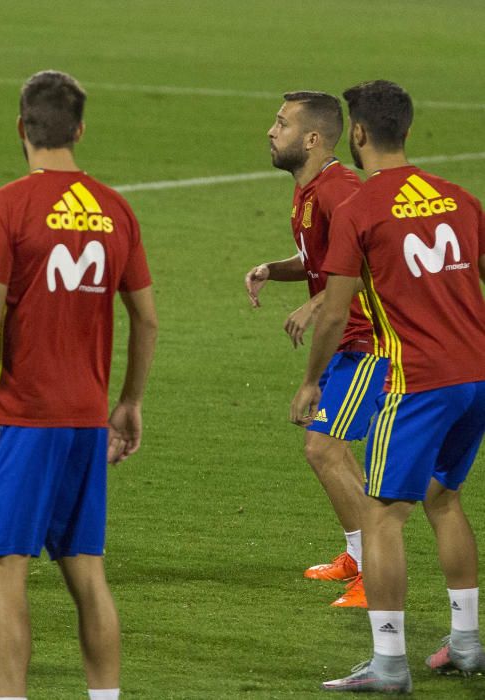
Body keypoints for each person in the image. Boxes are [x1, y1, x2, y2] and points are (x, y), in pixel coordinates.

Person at [0, 70, 157, 700]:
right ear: (79, 129)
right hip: (87, 420)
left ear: (20, 127)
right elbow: (147, 317)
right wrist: (129, 402)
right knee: (87, 575)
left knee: (2, 576)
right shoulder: (116, 209)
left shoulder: (10, 205)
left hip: (20, 419)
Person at [290, 79, 485, 692]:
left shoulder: (360, 210)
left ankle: (390, 663)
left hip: (417, 381)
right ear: (408, 128)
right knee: (444, 499)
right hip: (476, 375)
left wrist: (312, 381)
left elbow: (333, 311)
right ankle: (467, 642)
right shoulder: (459, 199)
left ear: (359, 134)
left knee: (381, 516)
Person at [246, 91, 388, 608]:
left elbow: (371, 255)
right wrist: (276, 270)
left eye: (281, 124)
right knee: (332, 447)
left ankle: (378, 575)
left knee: (322, 448)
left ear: (311, 140)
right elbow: (322, 255)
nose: (270, 131)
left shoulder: (341, 188)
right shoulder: (309, 191)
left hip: (368, 342)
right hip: (343, 342)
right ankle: (357, 554)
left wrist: (321, 300)